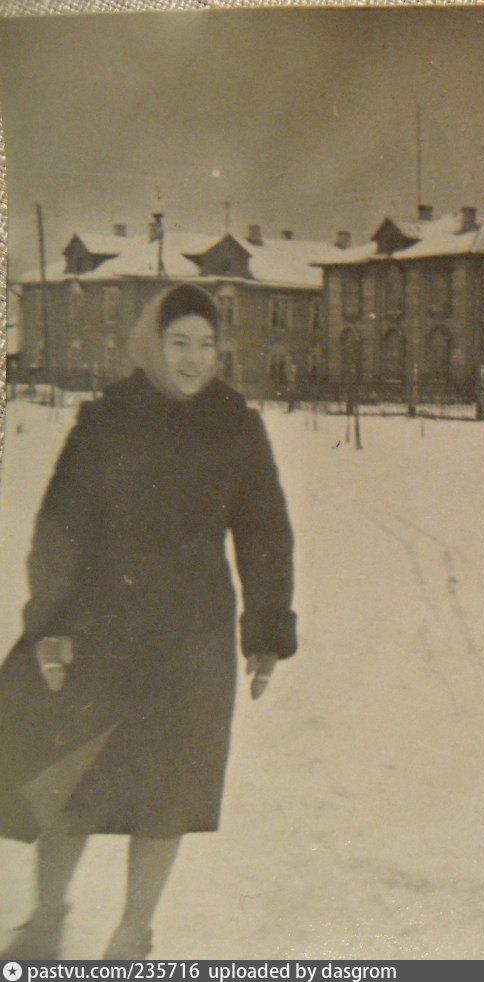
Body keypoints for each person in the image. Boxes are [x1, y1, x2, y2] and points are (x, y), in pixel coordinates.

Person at [0, 283, 298, 960]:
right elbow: (59, 529)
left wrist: (266, 634)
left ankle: (133, 934)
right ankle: (48, 919)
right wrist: (49, 625)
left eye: (206, 345)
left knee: (169, 790)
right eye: (179, 342)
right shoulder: (107, 420)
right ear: (151, 344)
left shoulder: (236, 425)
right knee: (70, 781)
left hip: (191, 636)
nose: (195, 359)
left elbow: (265, 533)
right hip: (100, 625)